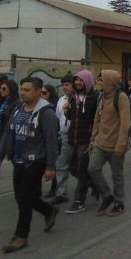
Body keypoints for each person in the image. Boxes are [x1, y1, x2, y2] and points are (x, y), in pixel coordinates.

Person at [0, 77, 60, 253]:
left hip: (36, 161)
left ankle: (21, 236)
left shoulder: (47, 114)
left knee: (23, 197)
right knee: (23, 197)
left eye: (27, 90)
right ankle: (49, 210)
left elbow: (52, 142)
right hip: (19, 160)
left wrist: (51, 167)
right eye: (22, 89)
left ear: (38, 92)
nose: (22, 92)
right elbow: (8, 135)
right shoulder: (18, 110)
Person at [88, 70, 131, 217]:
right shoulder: (101, 97)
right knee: (93, 169)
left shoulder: (122, 97)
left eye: (101, 79)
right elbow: (97, 119)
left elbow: (126, 124)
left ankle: (119, 203)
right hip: (100, 142)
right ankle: (107, 196)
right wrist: (93, 138)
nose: (98, 81)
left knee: (117, 175)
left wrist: (121, 144)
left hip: (116, 144)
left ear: (110, 82)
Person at [63, 70, 100, 214]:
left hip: (87, 139)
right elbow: (73, 118)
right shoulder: (73, 97)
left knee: (82, 169)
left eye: (81, 80)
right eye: (76, 80)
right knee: (72, 168)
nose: (78, 83)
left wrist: (95, 138)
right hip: (73, 138)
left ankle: (79, 200)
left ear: (88, 81)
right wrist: (67, 111)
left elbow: (98, 119)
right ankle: (96, 185)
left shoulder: (95, 98)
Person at [52, 76, 73, 205]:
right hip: (64, 136)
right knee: (61, 164)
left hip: (78, 136)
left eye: (67, 84)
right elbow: (57, 118)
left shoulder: (80, 99)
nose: (65, 87)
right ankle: (61, 193)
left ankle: (94, 186)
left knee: (79, 167)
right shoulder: (61, 100)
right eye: (63, 85)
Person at [41, 84, 60, 199]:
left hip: (55, 138)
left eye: (44, 93)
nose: (42, 95)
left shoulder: (53, 106)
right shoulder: (40, 105)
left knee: (55, 164)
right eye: (41, 93)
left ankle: (55, 187)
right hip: (42, 139)